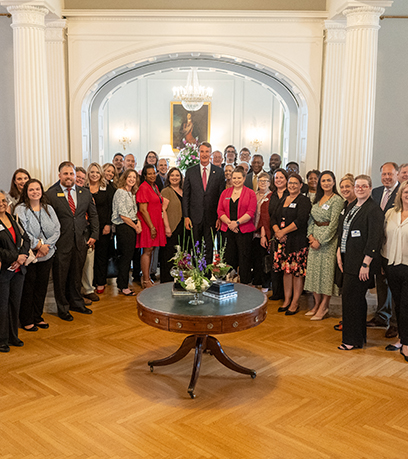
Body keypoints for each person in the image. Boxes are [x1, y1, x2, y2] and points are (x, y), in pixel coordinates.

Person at [46, 162, 99, 321]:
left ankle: (77, 302)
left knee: (76, 275)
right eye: (65, 174)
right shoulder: (50, 194)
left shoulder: (85, 193)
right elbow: (47, 220)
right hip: (61, 242)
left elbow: (93, 215)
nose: (69, 177)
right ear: (59, 175)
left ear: (75, 176)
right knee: (61, 277)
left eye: (71, 174)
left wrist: (94, 234)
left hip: (80, 242)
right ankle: (63, 308)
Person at [336, 175, 384, 350]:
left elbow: (374, 239)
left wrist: (366, 264)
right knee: (354, 300)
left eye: (364, 186)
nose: (360, 188)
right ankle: (358, 337)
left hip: (361, 264)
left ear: (370, 188)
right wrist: (339, 253)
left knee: (351, 300)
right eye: (358, 186)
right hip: (348, 261)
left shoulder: (373, 210)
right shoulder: (352, 206)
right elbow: (344, 232)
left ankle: (351, 340)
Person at [15, 179, 60, 332]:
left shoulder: (48, 208)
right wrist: (38, 245)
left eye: (38, 189)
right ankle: (27, 319)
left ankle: (37, 316)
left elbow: (57, 229)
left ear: (42, 191)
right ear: (26, 192)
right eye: (31, 190)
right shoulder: (20, 209)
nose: (35, 192)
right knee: (29, 288)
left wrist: (46, 246)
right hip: (30, 255)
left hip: (47, 254)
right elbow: (22, 231)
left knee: (41, 287)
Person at [304, 171, 344, 320]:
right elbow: (311, 219)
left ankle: (324, 306)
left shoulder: (337, 200)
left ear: (334, 182)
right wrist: (310, 236)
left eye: (329, 180)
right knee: (314, 273)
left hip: (328, 241)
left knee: (326, 274)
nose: (326, 183)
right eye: (323, 181)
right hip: (313, 239)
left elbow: (334, 224)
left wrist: (320, 240)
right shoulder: (317, 198)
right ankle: (316, 304)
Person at [271, 173, 311, 315]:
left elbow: (301, 221)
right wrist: (277, 232)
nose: (292, 185)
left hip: (297, 242)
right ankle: (287, 300)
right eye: (290, 183)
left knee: (296, 273)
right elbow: (274, 217)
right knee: (286, 272)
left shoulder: (303, 201)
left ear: (301, 185)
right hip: (282, 243)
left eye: (295, 183)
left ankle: (295, 302)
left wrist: (283, 232)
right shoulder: (284, 199)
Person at [368, 162, 400, 337]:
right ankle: (382, 315)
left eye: (390, 174)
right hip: (378, 245)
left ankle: (394, 323)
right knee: (381, 282)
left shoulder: (402, 192)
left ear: (396, 175)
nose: (387, 177)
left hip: (394, 246)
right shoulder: (376, 192)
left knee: (394, 285)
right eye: (384, 174)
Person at [183, 142, 225, 265]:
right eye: (202, 151)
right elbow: (186, 196)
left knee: (209, 247)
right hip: (194, 217)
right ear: (198, 153)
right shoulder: (190, 171)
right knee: (195, 247)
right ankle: (196, 273)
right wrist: (186, 216)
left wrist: (219, 217)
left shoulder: (219, 172)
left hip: (212, 218)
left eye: (207, 152)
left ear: (210, 154)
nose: (204, 154)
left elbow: (221, 197)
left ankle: (206, 275)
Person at [0, 189, 30, 352]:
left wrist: (23, 255)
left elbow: (26, 238)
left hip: (18, 270)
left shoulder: (12, 218)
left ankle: (13, 336)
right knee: (2, 307)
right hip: (4, 270)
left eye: (4, 201)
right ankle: (2, 339)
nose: (2, 204)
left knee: (14, 304)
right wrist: (15, 257)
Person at [382, 180, 408, 361]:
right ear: (400, 194)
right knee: (398, 304)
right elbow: (383, 238)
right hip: (391, 265)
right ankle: (401, 338)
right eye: (406, 191)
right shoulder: (391, 213)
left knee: (406, 305)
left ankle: (406, 344)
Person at [217, 167, 257, 284]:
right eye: (234, 178)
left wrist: (237, 222)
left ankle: (245, 284)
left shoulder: (250, 193)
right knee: (228, 257)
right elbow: (220, 211)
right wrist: (230, 223)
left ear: (244, 178)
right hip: (227, 230)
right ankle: (229, 283)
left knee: (244, 258)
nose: (236, 180)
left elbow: (250, 212)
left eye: (239, 178)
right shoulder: (225, 192)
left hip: (244, 230)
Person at [136, 165, 169, 288]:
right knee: (147, 250)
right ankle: (145, 280)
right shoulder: (144, 187)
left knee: (151, 250)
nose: (152, 175)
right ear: (144, 175)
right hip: (148, 224)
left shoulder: (154, 186)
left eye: (153, 173)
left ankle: (147, 277)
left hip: (155, 222)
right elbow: (143, 210)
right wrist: (151, 227)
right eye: (149, 173)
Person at [111, 169, 142, 296]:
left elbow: (134, 211)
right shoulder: (120, 192)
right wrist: (135, 227)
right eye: (129, 177)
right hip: (124, 227)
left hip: (132, 225)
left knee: (129, 256)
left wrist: (138, 222)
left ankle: (121, 282)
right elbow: (122, 215)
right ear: (125, 178)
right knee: (125, 257)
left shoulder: (131, 193)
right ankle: (123, 286)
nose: (132, 179)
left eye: (134, 177)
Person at [333, 173, 357, 332]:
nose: (344, 189)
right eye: (342, 187)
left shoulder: (359, 206)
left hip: (354, 255)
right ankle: (346, 319)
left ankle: (351, 322)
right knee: (345, 290)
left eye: (348, 186)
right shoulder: (344, 205)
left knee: (352, 292)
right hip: (342, 251)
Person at [87, 163, 115, 295]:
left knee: (101, 256)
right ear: (88, 173)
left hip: (103, 226)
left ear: (101, 174)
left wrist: (109, 224)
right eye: (92, 172)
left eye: (97, 172)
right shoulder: (83, 188)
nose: (94, 175)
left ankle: (100, 282)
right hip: (88, 227)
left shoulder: (107, 187)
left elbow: (111, 207)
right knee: (88, 256)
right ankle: (88, 282)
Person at [159, 167, 184, 283]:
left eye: (177, 175)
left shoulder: (184, 190)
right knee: (168, 255)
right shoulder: (166, 191)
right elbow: (163, 210)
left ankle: (180, 279)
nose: (175, 177)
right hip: (172, 227)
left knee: (181, 255)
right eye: (172, 175)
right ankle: (166, 281)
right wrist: (167, 227)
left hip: (183, 227)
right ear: (168, 177)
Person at [268, 168, 289, 301]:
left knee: (286, 264)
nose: (279, 180)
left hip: (288, 235)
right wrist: (277, 232)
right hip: (275, 234)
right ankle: (276, 292)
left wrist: (284, 232)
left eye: (281, 177)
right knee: (275, 263)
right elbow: (269, 216)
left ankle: (286, 293)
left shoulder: (290, 194)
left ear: (286, 179)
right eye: (276, 178)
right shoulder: (271, 196)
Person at [251, 172, 272, 292]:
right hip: (252, 231)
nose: (263, 183)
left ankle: (265, 283)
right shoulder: (253, 195)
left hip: (264, 232)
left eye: (265, 181)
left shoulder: (270, 196)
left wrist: (263, 234)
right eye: (260, 180)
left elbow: (267, 217)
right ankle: (256, 280)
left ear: (269, 183)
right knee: (255, 259)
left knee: (264, 259)